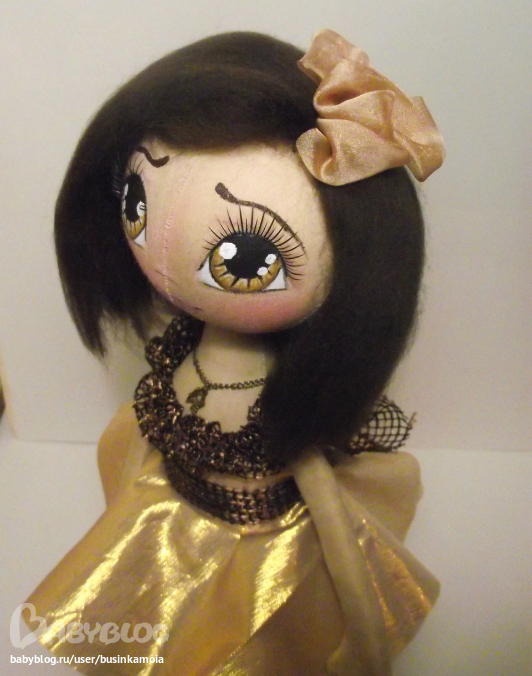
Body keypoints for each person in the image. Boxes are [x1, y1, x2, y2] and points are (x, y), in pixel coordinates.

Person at [27, 29, 444, 675]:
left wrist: (357, 602)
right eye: (137, 205)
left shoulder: (286, 389)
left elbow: (317, 486)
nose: (162, 268)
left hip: (264, 551)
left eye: (244, 260)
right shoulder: (182, 352)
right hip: (165, 526)